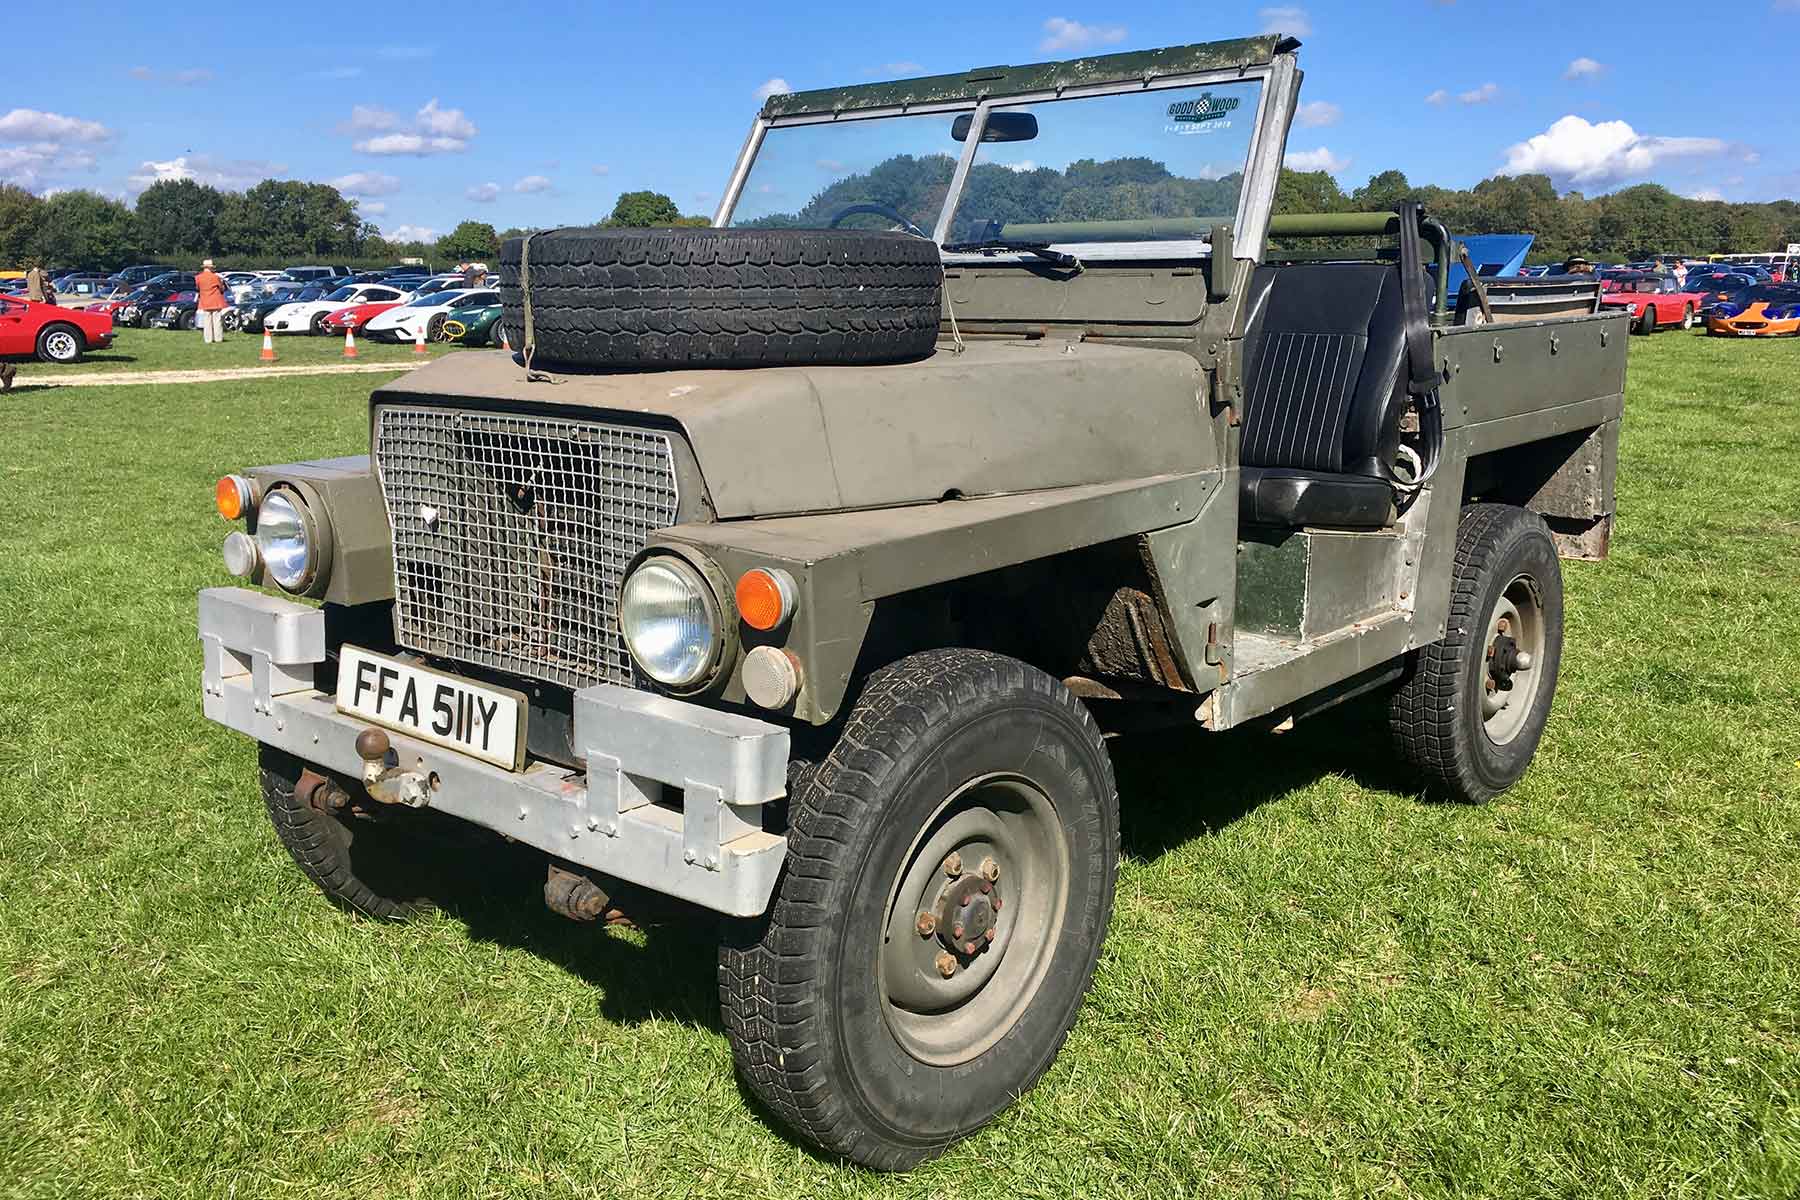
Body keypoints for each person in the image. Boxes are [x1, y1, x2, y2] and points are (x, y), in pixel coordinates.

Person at [195, 258, 228, 344]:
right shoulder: (215, 277)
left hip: (205, 301)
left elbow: (197, 288)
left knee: (207, 321)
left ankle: (208, 339)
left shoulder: (198, 277)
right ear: (211, 268)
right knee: (217, 320)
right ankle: (218, 338)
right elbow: (221, 288)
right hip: (215, 300)